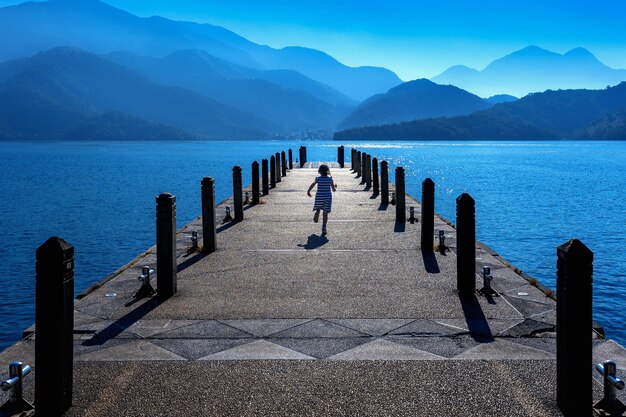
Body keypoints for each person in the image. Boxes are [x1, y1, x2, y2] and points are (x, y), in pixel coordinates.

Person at [307, 164, 337, 235]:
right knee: (325, 214)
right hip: (327, 198)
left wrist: (308, 191)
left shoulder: (318, 178)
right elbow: (333, 190)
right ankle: (324, 227)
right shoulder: (330, 179)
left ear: (319, 171)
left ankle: (318, 210)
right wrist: (335, 186)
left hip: (319, 197)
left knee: (319, 207)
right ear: (327, 171)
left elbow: (313, 184)